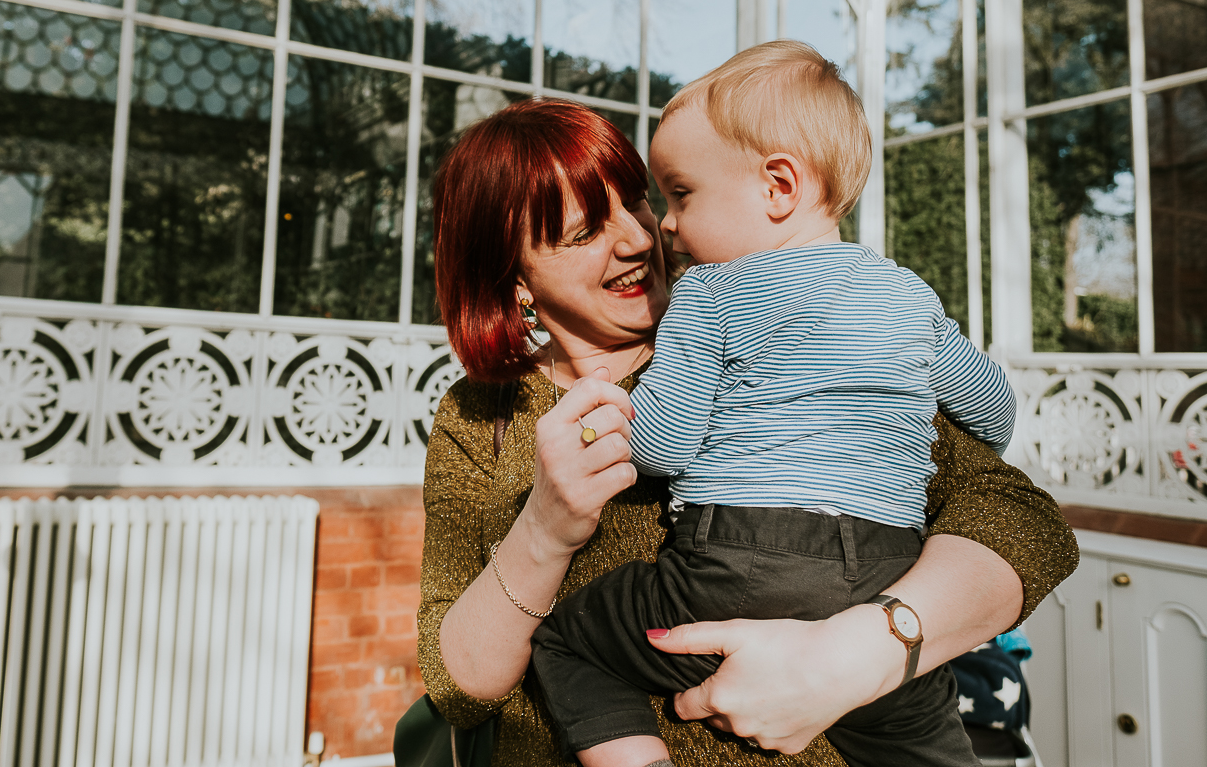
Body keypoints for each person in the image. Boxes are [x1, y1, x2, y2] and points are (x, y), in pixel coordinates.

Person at [418, 97, 1079, 767]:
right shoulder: (479, 415)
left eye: (638, 202)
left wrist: (860, 652)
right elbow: (459, 689)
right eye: (586, 230)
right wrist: (545, 526)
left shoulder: (781, 335)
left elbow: (1025, 524)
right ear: (515, 278)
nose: (641, 239)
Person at [528, 42, 1014, 767]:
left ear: (778, 187)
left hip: (738, 562)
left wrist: (611, 415)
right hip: (888, 566)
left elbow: (663, 448)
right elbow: (995, 414)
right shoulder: (910, 296)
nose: (663, 223)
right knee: (921, 744)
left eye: (681, 194)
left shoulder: (711, 291)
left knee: (568, 638)